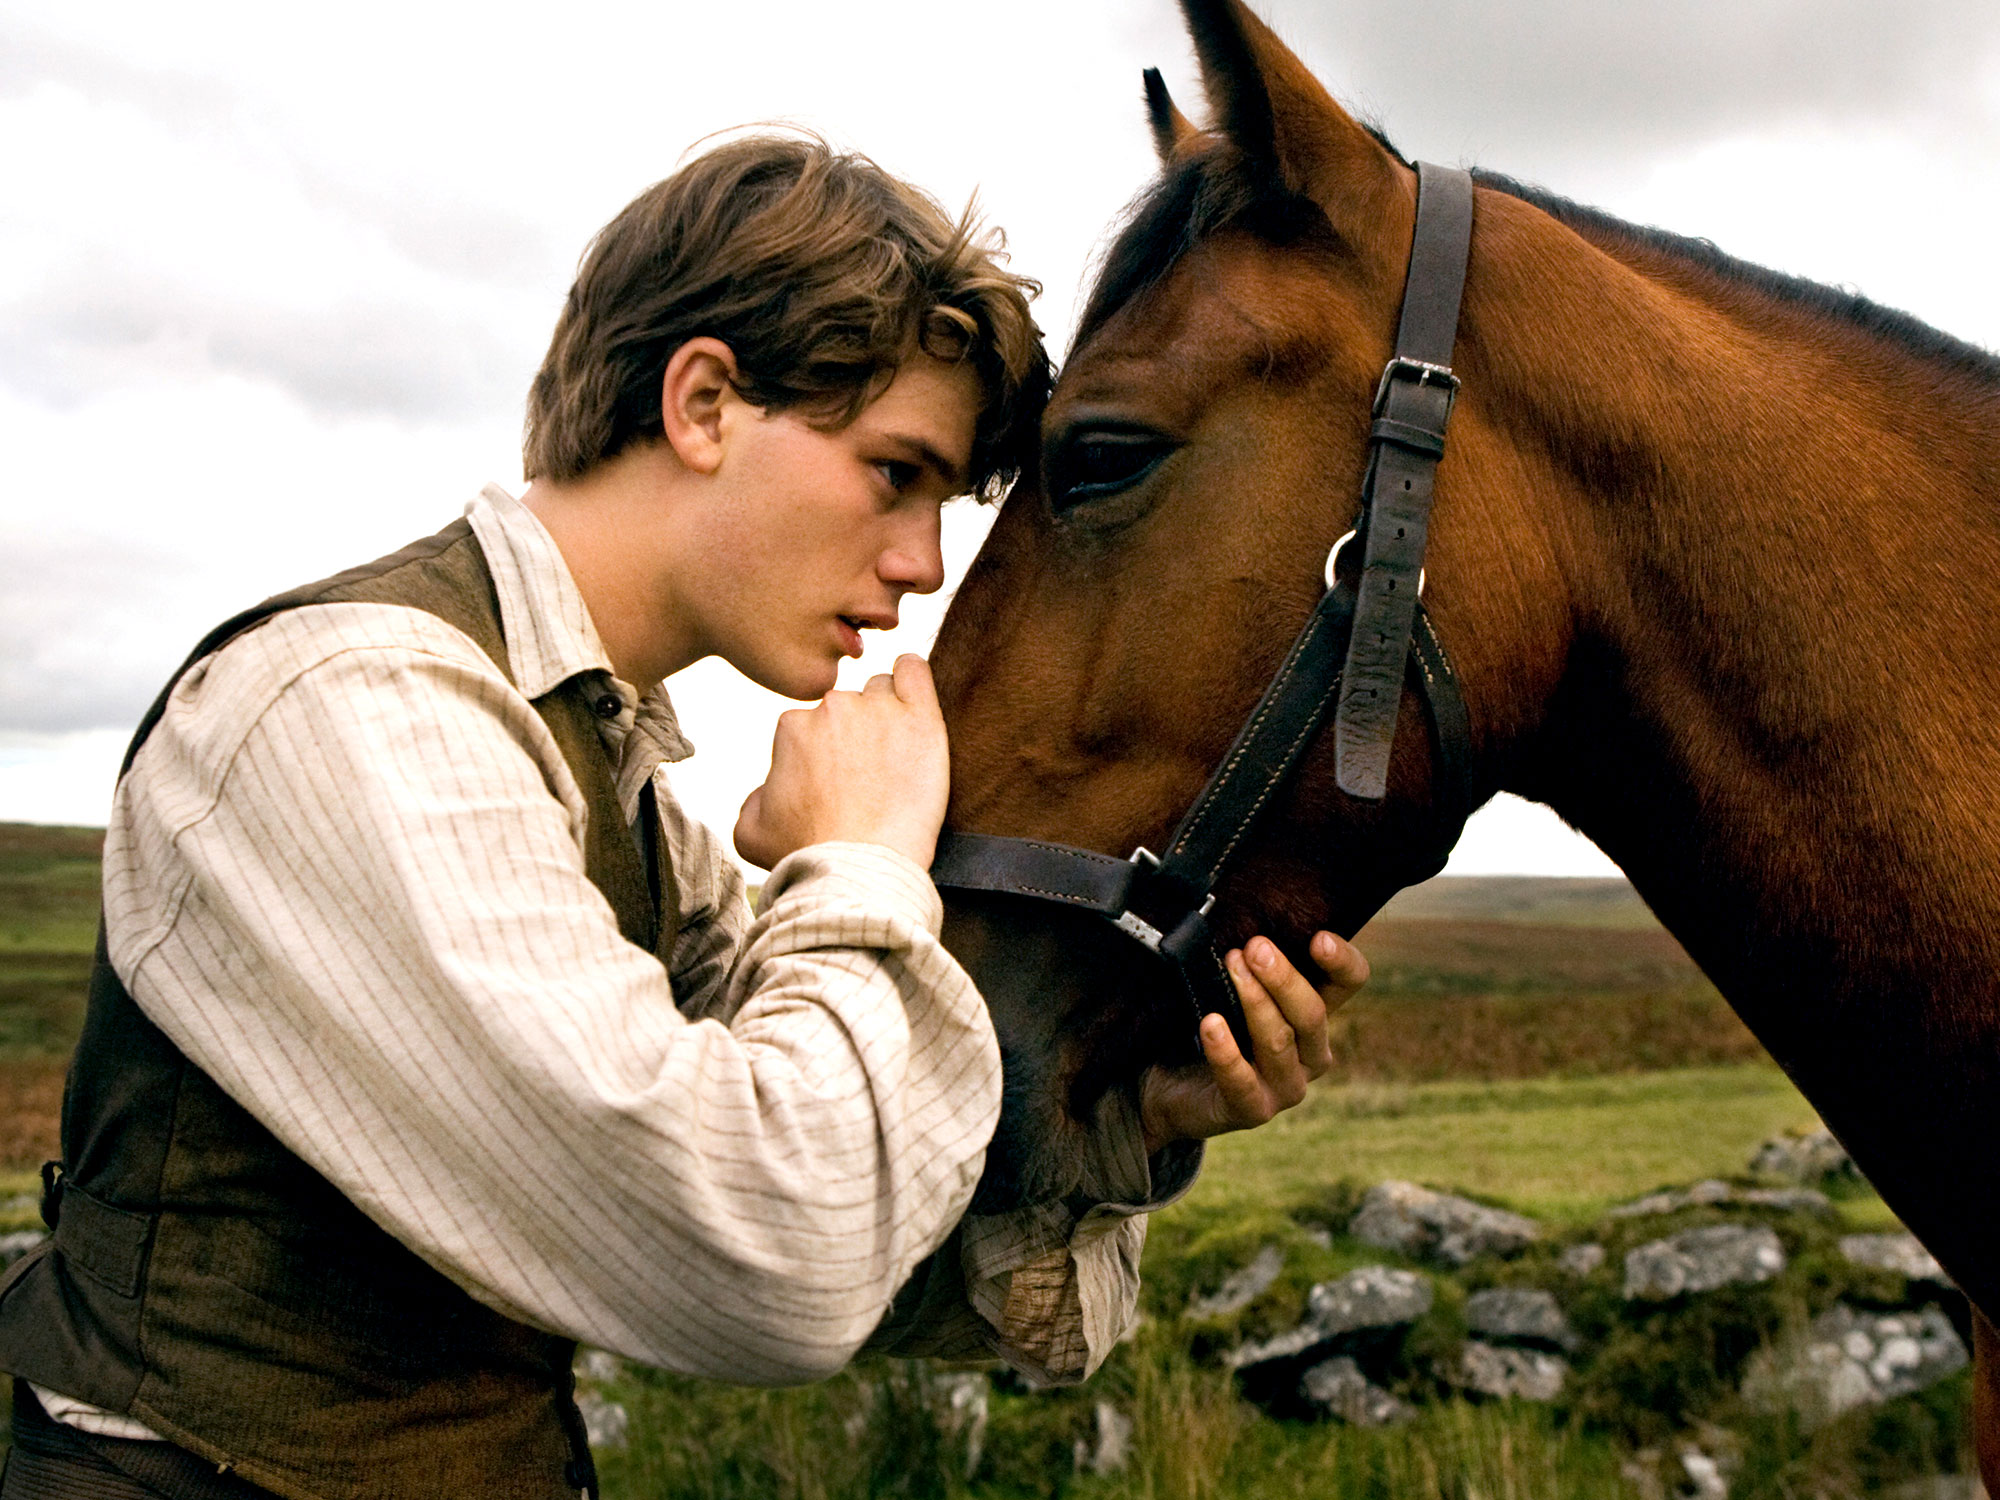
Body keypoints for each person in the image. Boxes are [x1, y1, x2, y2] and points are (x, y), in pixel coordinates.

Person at [0, 135, 1366, 1499]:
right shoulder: (351, 707)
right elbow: (774, 1263)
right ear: (704, 403)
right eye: (896, 473)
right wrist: (860, 862)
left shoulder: (621, 790)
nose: (922, 565)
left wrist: (1122, 1122)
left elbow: (866, 1226)